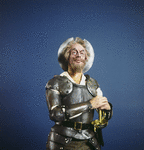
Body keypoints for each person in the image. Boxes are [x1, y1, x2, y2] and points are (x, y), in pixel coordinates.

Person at [45, 37, 113, 150]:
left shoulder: (93, 84)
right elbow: (55, 114)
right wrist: (90, 104)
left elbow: (104, 116)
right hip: (62, 141)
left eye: (82, 52)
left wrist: (108, 108)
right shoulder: (55, 82)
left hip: (89, 141)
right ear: (67, 57)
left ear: (86, 58)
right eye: (74, 52)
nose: (78, 55)